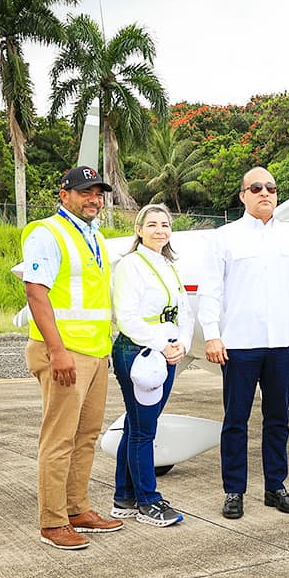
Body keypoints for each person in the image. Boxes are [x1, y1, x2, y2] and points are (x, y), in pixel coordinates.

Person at [198, 167, 289, 519]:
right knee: (236, 420)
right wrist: (211, 334)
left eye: (271, 187)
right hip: (239, 342)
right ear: (243, 195)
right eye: (256, 187)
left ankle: (275, 486)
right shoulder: (224, 238)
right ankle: (234, 490)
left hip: (282, 342)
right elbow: (212, 290)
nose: (265, 192)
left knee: (278, 419)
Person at [21, 165, 123, 549]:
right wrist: (57, 350)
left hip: (95, 352)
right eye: (85, 192)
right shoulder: (47, 233)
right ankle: (52, 522)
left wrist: (103, 350)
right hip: (64, 353)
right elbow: (36, 292)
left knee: (86, 436)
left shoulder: (93, 235)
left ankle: (78, 508)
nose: (93, 199)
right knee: (59, 438)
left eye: (98, 193)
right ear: (64, 195)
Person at [109, 204, 193, 527]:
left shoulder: (169, 266)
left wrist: (182, 344)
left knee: (135, 426)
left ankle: (124, 497)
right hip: (139, 354)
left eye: (166, 224)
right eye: (153, 224)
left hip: (167, 354)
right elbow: (127, 317)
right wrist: (162, 345)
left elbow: (184, 311)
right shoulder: (130, 266)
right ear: (140, 230)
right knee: (145, 430)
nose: (160, 230)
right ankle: (148, 500)